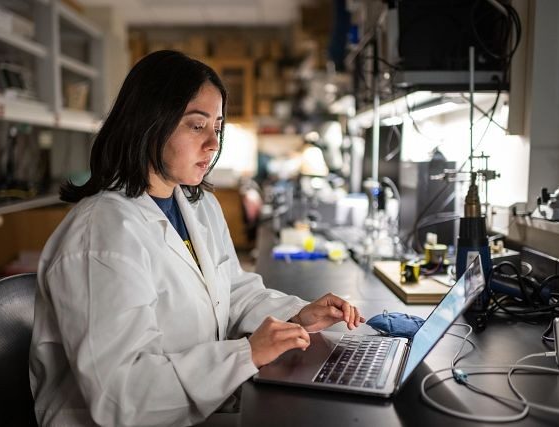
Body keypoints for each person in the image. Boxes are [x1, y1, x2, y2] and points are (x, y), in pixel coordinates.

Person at [29, 50, 365, 427]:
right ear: (149, 124)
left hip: (196, 409)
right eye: (196, 126)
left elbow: (233, 292)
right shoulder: (102, 235)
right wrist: (245, 355)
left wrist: (298, 315)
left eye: (217, 128)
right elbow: (119, 396)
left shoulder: (195, 203)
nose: (213, 143)